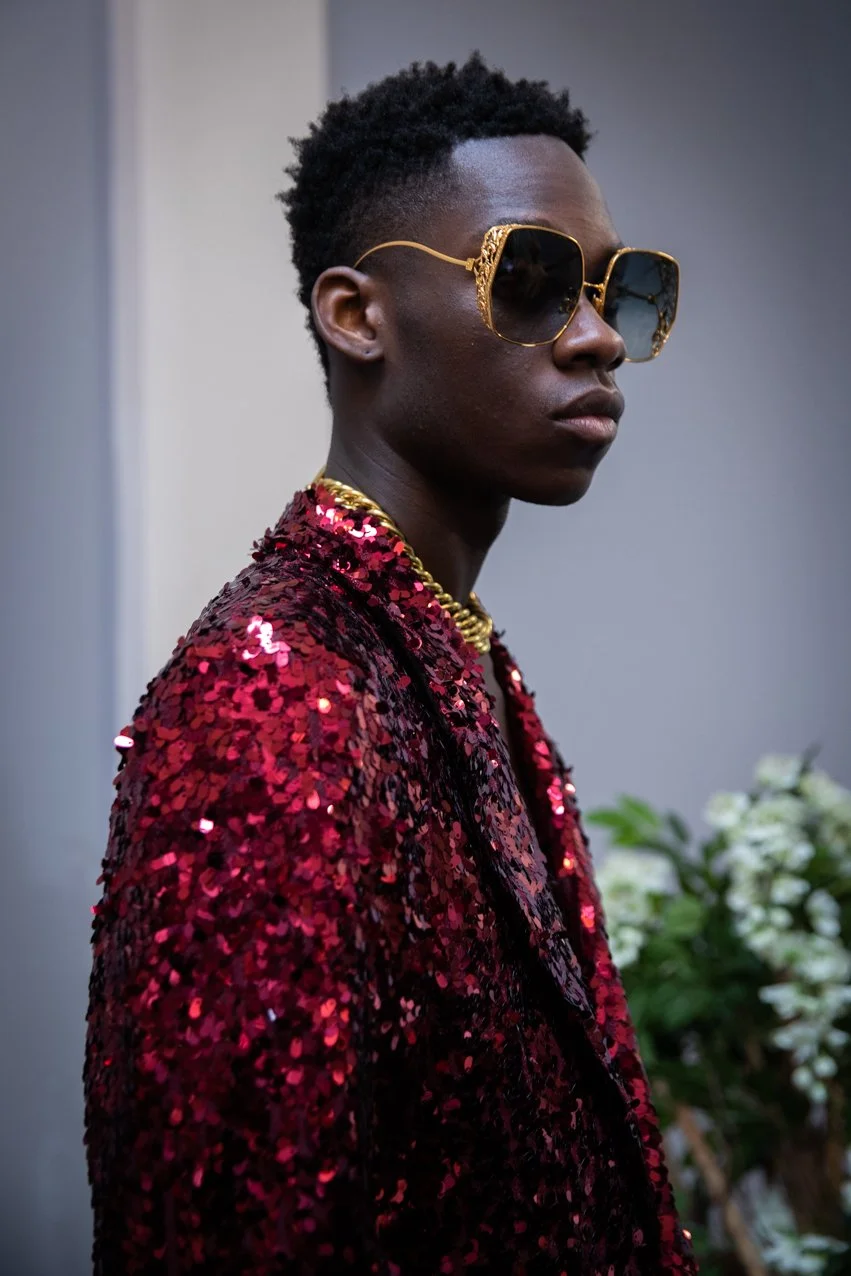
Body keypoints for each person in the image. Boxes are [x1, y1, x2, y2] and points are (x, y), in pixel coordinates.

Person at [84, 52, 692, 1275]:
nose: (594, 340)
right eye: (528, 280)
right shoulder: (273, 696)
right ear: (356, 315)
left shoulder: (442, 650)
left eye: (621, 292)